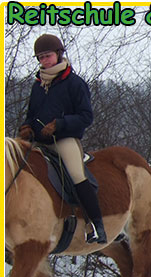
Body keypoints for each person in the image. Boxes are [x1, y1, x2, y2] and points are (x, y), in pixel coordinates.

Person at [17, 34, 106, 243]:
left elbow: (86, 116)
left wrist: (60, 124)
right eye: (40, 58)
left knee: (76, 174)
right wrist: (26, 127)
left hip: (64, 141)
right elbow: (31, 114)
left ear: (58, 54)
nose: (43, 61)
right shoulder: (38, 85)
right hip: (40, 142)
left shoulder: (75, 83)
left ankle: (96, 224)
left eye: (47, 56)